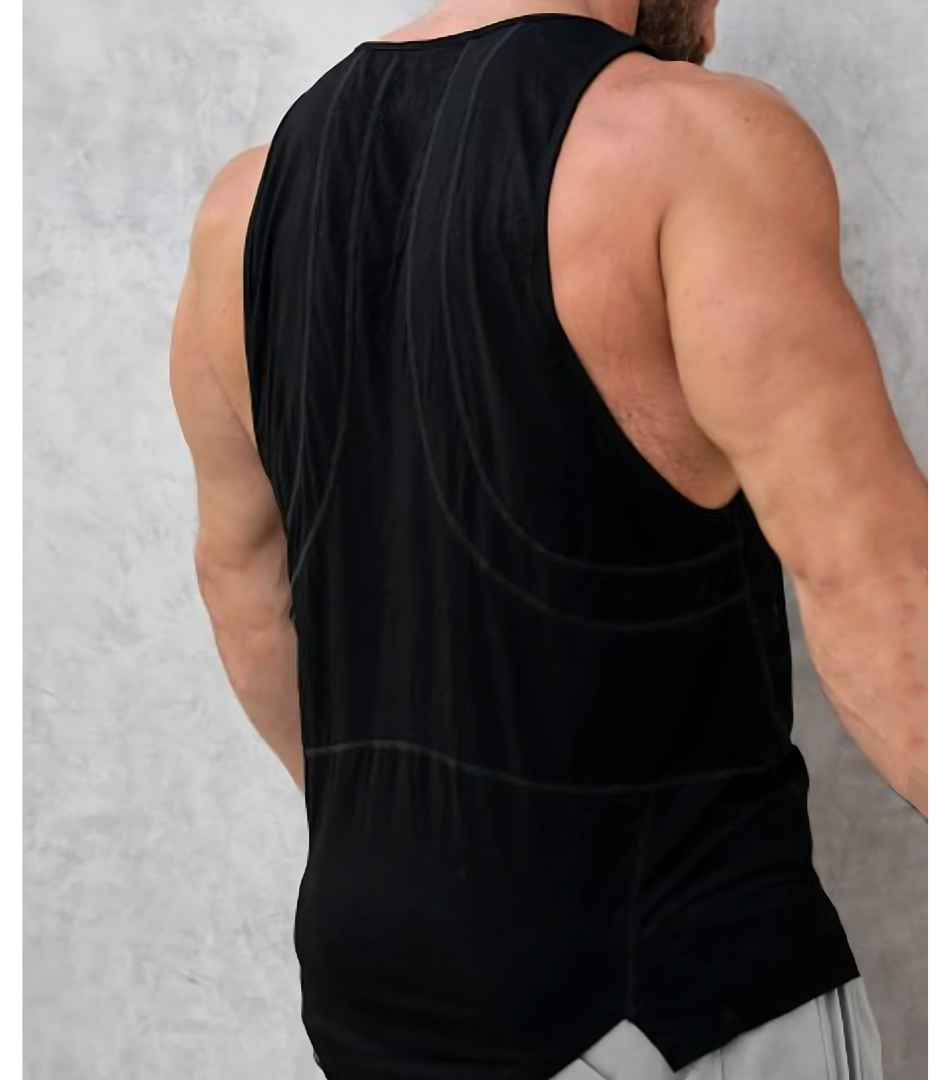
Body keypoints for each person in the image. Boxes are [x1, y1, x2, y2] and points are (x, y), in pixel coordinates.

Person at [169, 1, 928, 1076]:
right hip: (668, 1005)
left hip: (375, 1003)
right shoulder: (688, 143)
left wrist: (435, 859)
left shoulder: (242, 210)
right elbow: (881, 596)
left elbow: (243, 590)